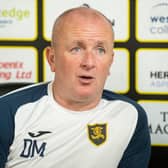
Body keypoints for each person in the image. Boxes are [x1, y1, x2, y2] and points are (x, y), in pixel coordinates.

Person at [0, 5, 151, 168]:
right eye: (76, 49)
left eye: (100, 50)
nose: (89, 62)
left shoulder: (131, 116)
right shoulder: (8, 112)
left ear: (110, 61)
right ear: (52, 58)